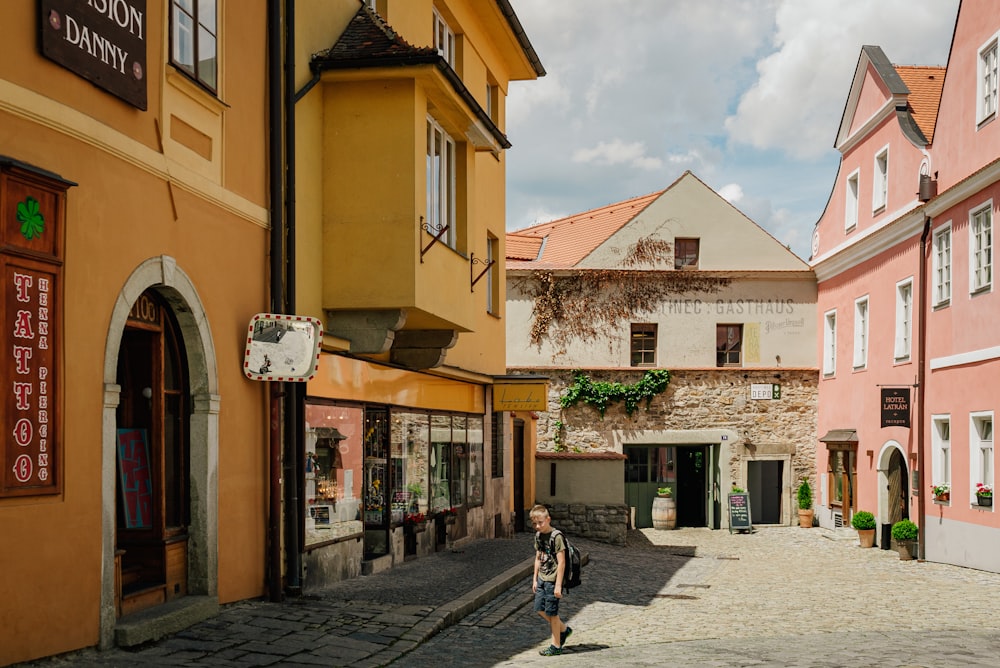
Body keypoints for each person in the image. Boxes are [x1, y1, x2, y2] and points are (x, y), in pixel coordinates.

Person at [530, 504, 573, 656]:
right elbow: (537, 558)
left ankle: (556, 645)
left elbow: (562, 562)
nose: (537, 526)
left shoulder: (557, 536)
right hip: (542, 578)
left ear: (548, 519)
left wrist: (558, 586)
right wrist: (535, 579)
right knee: (540, 609)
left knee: (552, 613)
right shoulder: (538, 536)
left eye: (540, 523)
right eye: (534, 523)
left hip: (553, 580)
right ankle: (564, 630)